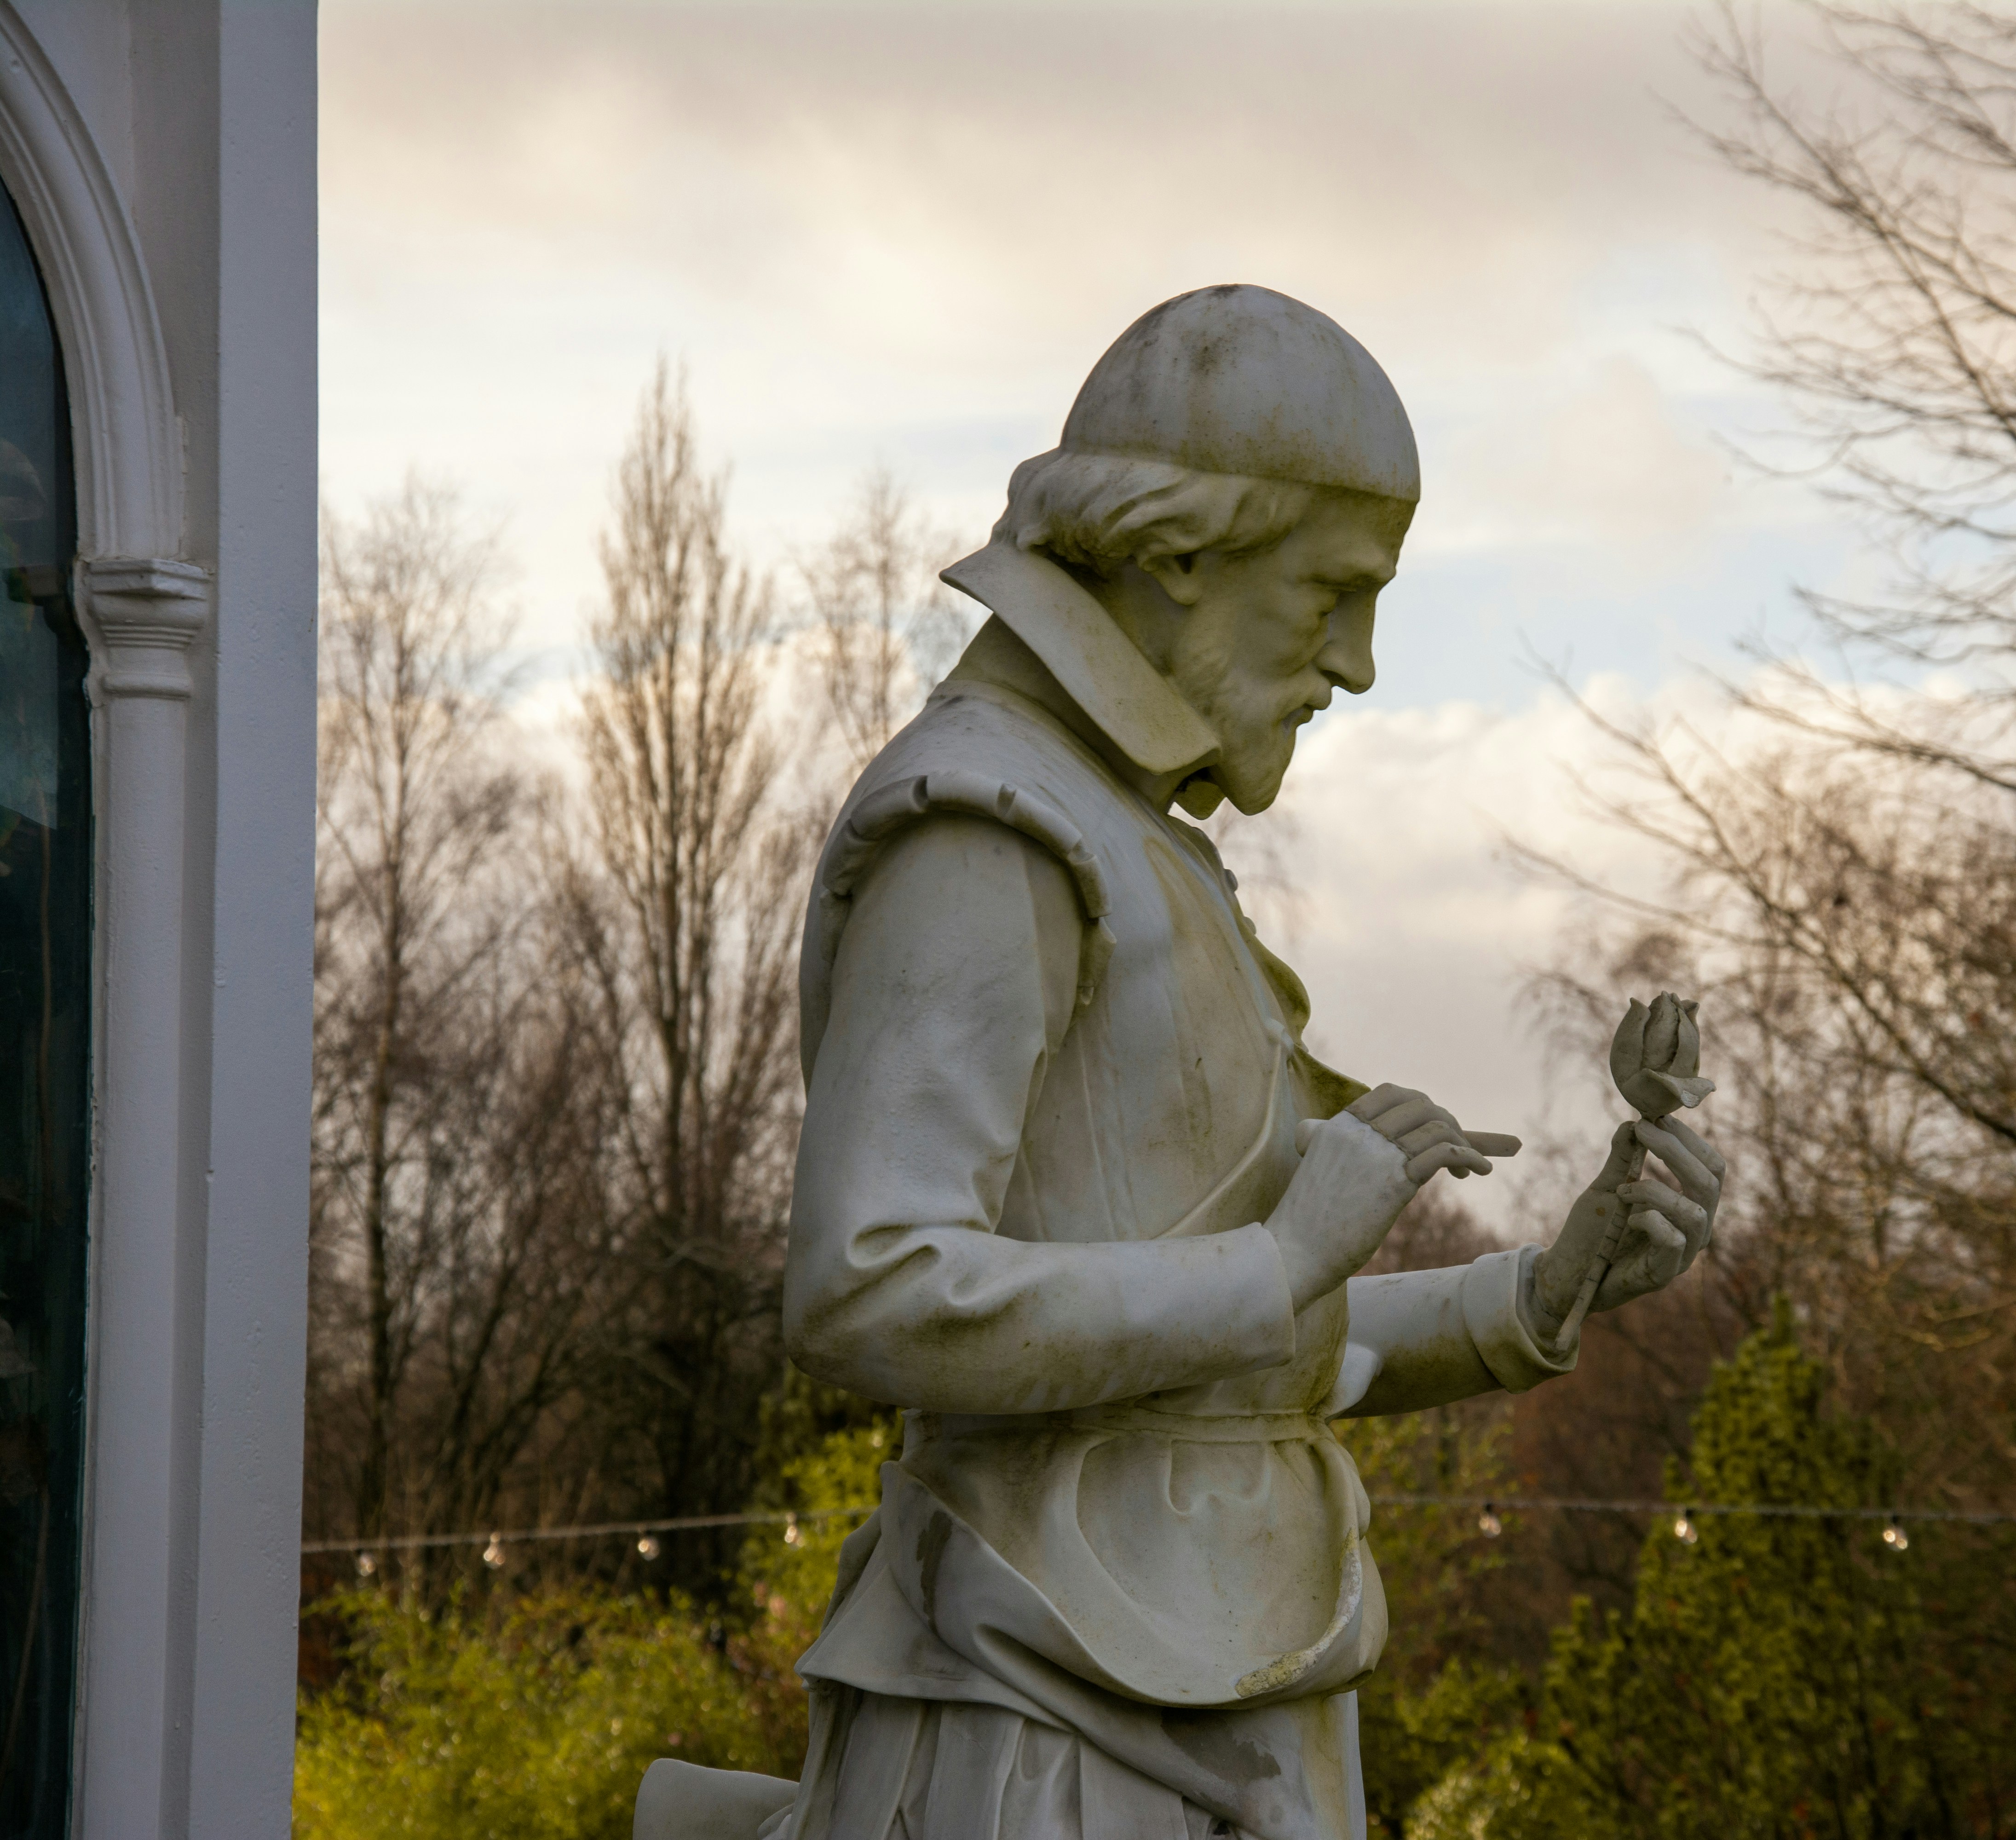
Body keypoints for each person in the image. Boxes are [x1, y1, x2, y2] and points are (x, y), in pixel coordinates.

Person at [639, 284, 1725, 1840]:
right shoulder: (988, 821)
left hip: (1204, 1693)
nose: (1354, 663)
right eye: (1331, 592)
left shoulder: (1134, 839)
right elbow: (867, 1286)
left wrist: (1544, 1291)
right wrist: (1281, 1255)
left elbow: (1233, 1368)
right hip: (1048, 1719)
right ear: (1175, 560)